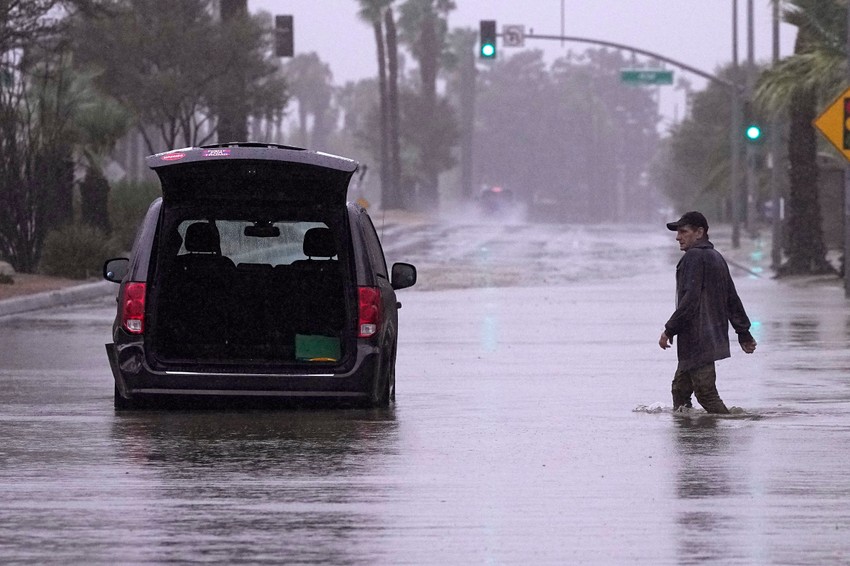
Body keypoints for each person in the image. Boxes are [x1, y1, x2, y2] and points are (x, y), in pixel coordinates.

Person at [658, 211, 757, 414]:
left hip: (698, 339)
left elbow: (690, 301)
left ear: (699, 232)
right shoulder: (716, 257)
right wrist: (743, 333)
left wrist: (669, 329)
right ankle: (690, 436)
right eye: (678, 233)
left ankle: (717, 439)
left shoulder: (693, 257)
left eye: (683, 232)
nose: (678, 237)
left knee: (705, 393)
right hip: (710, 337)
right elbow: (732, 298)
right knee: (680, 390)